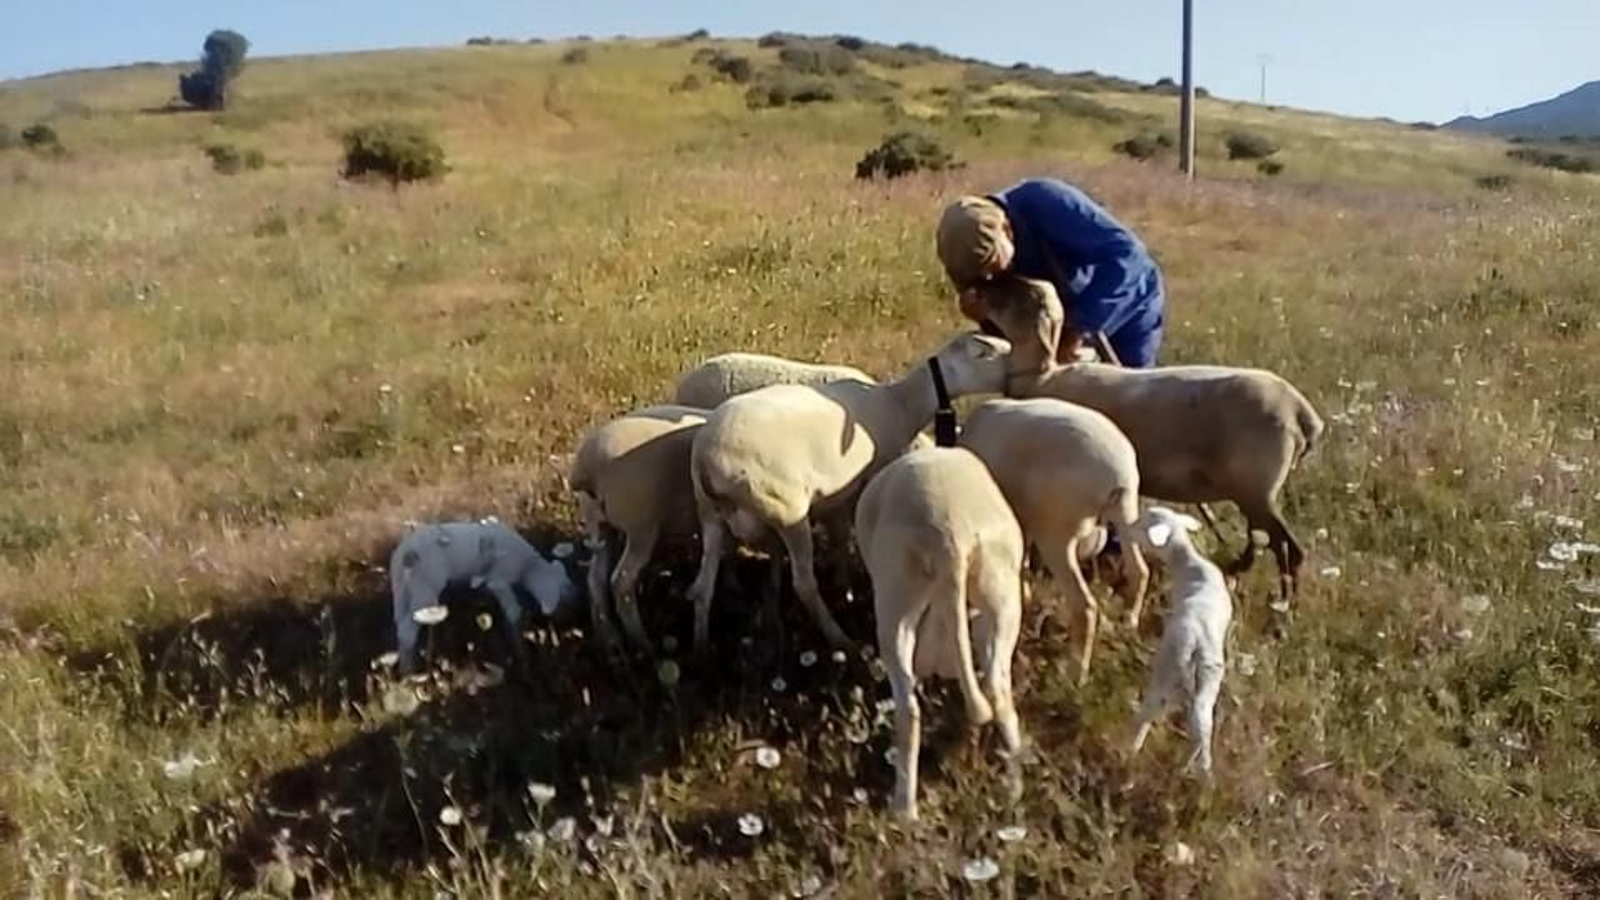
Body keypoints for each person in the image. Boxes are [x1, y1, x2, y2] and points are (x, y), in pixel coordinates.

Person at [935, 177, 1167, 368]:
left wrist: (1077, 330)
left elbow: (1128, 257)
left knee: (1129, 404)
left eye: (991, 263)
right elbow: (1009, 337)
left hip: (1124, 302)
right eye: (977, 272)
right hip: (1059, 327)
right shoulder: (962, 255)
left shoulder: (1047, 203)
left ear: (1007, 230)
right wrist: (984, 317)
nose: (986, 277)